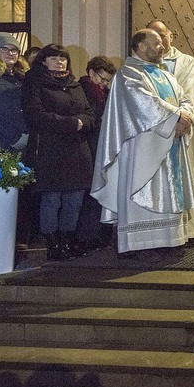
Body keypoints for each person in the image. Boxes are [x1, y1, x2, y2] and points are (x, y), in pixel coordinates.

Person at [91, 29, 194, 258]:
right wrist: (176, 118)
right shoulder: (128, 74)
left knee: (168, 190)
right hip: (142, 147)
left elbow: (184, 98)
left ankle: (169, 240)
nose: (162, 47)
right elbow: (143, 103)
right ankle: (141, 243)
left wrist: (185, 116)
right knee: (144, 189)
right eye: (156, 43)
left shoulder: (165, 74)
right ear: (140, 46)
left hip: (170, 143)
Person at [22, 44, 95, 260]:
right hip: (50, 150)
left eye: (63, 58)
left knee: (75, 199)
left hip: (77, 151)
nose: (59, 62)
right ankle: (53, 244)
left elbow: (89, 113)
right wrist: (71, 123)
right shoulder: (35, 82)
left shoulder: (74, 84)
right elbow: (36, 115)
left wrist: (84, 121)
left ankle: (67, 241)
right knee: (52, 199)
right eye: (54, 58)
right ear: (43, 61)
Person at [146, 19, 194, 241]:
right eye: (154, 36)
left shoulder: (185, 62)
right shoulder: (141, 64)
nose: (159, 41)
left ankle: (183, 232)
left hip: (181, 132)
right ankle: (156, 234)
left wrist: (181, 121)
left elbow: (189, 93)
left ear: (172, 36)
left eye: (163, 35)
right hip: (152, 133)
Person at [77, 55, 117, 251]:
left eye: (108, 80)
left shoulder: (105, 93)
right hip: (88, 146)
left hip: (102, 145)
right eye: (102, 79)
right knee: (89, 193)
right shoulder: (82, 89)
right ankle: (87, 237)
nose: (104, 84)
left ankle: (101, 234)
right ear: (91, 73)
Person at [0, 32, 29, 152]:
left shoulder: (23, 77)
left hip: (26, 141)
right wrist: (14, 138)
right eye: (4, 49)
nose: (10, 53)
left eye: (14, 50)